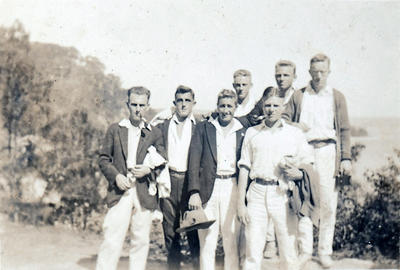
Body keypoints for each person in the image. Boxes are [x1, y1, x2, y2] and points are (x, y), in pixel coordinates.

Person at [282, 53, 352, 269]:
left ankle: (324, 252)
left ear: (328, 72)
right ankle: (306, 252)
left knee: (328, 203)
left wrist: (346, 158)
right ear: (309, 72)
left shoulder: (336, 96)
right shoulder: (300, 95)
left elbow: (344, 129)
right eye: (315, 71)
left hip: (328, 152)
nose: (318, 75)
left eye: (323, 71)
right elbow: (284, 118)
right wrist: (295, 127)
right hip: (305, 152)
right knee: (304, 201)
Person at [237, 87, 314, 270]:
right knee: (253, 252)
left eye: (275, 105)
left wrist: (300, 173)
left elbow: (308, 163)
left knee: (288, 251)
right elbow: (244, 168)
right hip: (256, 193)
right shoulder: (252, 133)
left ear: (283, 107)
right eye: (268, 105)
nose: (271, 109)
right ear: (263, 106)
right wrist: (241, 203)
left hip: (283, 194)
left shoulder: (294, 134)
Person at [96, 87, 166, 270]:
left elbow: (162, 161)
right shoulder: (116, 129)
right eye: (134, 104)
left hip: (143, 192)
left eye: (142, 105)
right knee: (112, 237)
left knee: (140, 240)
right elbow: (103, 159)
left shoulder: (155, 132)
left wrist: (147, 169)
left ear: (148, 106)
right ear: (127, 104)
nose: (138, 109)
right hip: (121, 191)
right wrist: (116, 176)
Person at [187, 89, 246, 270]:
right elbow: (194, 161)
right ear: (217, 107)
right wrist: (194, 192)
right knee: (207, 240)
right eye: (222, 106)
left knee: (231, 239)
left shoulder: (242, 130)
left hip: (232, 186)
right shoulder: (204, 128)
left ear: (235, 108)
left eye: (229, 106)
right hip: (208, 188)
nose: (226, 110)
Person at [156, 85, 200, 270]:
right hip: (169, 182)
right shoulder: (164, 125)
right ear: (174, 103)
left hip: (189, 184)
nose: (183, 104)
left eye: (187, 100)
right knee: (170, 231)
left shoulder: (200, 127)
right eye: (179, 100)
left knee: (194, 231)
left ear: (193, 103)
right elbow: (145, 131)